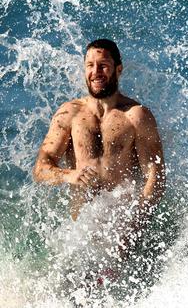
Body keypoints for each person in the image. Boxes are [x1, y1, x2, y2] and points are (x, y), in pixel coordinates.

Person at [33, 39, 165, 264]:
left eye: (103, 65)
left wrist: (133, 229)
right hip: (79, 235)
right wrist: (69, 175)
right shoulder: (69, 114)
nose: (96, 72)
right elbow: (41, 169)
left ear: (118, 70)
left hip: (121, 230)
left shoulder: (136, 116)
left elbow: (155, 177)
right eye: (90, 65)